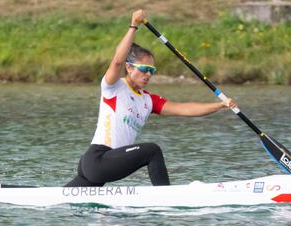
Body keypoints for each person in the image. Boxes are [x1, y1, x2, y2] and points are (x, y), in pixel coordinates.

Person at [65, 10, 236, 187]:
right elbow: (117, 61)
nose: (148, 74)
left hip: (104, 164)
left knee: (65, 200)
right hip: (98, 159)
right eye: (145, 69)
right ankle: (165, 196)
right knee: (152, 151)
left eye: (152, 71)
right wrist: (133, 26)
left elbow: (184, 109)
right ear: (129, 68)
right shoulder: (113, 87)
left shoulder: (148, 100)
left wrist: (219, 106)